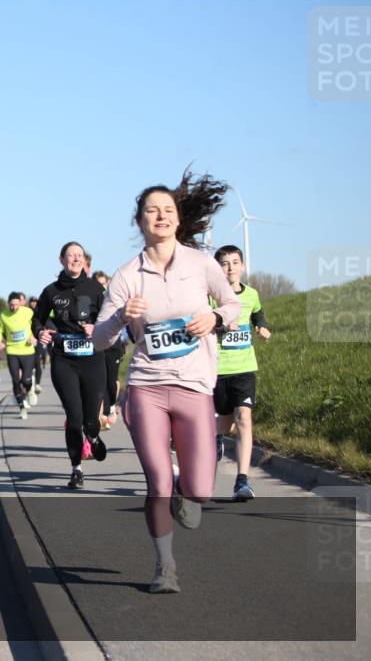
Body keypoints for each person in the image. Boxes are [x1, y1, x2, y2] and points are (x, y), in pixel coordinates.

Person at [93, 170, 239, 594]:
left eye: (168, 210)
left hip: (194, 385)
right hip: (147, 387)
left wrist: (214, 317)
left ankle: (188, 493)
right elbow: (100, 338)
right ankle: (165, 566)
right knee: (157, 481)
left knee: (199, 489)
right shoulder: (126, 276)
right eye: (151, 211)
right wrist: (121, 316)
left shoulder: (200, 264)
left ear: (178, 219)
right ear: (139, 221)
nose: (160, 216)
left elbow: (230, 303)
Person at [33, 242, 109, 490]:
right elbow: (37, 319)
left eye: (79, 255)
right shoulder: (51, 291)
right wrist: (40, 332)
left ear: (84, 260)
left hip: (92, 360)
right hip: (64, 360)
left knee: (90, 420)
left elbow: (110, 319)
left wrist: (97, 328)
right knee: (73, 419)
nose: (75, 259)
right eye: (70, 255)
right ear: (61, 259)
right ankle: (76, 469)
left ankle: (94, 435)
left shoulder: (96, 289)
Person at [212, 245, 272, 501]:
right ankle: (214, 438)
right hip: (217, 369)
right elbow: (201, 325)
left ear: (243, 266)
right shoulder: (210, 298)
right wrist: (222, 324)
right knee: (224, 423)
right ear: (217, 269)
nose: (230, 268)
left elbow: (257, 313)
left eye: (235, 263)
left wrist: (262, 327)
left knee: (244, 418)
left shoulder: (252, 294)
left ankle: (242, 481)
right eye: (224, 264)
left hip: (245, 368)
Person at [0, 291, 37, 419]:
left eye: (16, 304)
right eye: (11, 305)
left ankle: (30, 389)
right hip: (12, 351)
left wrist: (34, 336)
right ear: (8, 304)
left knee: (26, 380)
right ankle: (22, 407)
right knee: (15, 380)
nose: (14, 307)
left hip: (27, 351)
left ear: (20, 303)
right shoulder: (4, 315)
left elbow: (37, 325)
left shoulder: (28, 312)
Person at [93, 270, 125, 429]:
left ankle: (112, 405)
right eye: (98, 285)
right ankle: (101, 415)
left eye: (104, 284)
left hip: (114, 343)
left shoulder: (115, 298)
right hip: (97, 343)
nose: (102, 288)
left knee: (111, 380)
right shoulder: (91, 300)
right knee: (99, 379)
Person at [28, 296, 47, 395]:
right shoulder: (26, 312)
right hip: (28, 340)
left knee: (37, 361)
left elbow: (45, 323)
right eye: (32, 302)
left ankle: (38, 384)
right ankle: (29, 382)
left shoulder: (41, 311)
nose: (34, 303)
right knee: (30, 362)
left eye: (35, 302)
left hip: (39, 339)